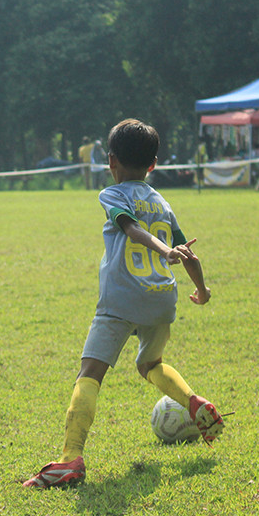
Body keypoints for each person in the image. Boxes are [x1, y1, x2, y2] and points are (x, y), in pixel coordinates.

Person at [23, 119, 225, 489]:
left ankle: (70, 459)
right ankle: (194, 403)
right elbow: (189, 254)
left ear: (111, 161)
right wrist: (203, 290)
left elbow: (130, 227)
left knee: (90, 374)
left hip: (121, 298)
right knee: (150, 364)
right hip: (162, 298)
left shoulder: (112, 195)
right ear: (154, 164)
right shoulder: (163, 203)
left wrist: (164, 250)